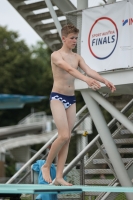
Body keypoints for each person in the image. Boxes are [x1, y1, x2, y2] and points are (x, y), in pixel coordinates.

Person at [41, 24, 116, 186]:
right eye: (72, 38)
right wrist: (86, 80)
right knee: (64, 135)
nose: (75, 41)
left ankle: (59, 176)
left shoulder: (77, 57)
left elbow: (89, 71)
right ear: (64, 39)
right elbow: (69, 70)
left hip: (71, 99)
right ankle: (46, 165)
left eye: (76, 38)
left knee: (67, 139)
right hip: (57, 98)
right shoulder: (56, 55)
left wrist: (104, 80)